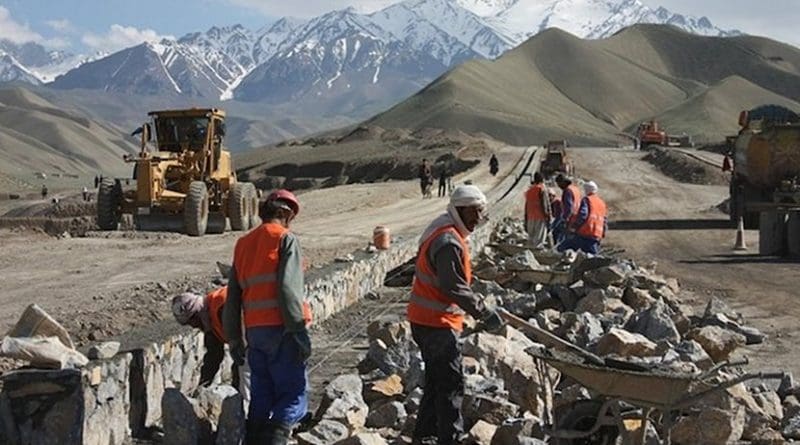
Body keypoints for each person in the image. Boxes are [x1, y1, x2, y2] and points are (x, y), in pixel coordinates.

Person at [408, 185, 504, 445]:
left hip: (427, 320)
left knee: (436, 380)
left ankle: (425, 434)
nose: (478, 219)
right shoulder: (448, 241)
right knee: (451, 383)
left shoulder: (445, 232)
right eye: (475, 212)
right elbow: (452, 286)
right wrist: (483, 312)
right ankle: (450, 438)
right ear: (460, 210)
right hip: (435, 324)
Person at [223, 189, 312, 445]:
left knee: (261, 395)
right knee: (292, 393)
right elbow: (288, 290)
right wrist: (298, 332)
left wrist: (234, 339)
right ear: (284, 213)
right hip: (282, 330)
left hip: (255, 332)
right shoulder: (285, 239)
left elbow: (233, 298)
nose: (290, 223)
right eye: (290, 217)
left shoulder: (243, 244)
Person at [171, 288, 251, 407]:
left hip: (261, 335)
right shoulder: (210, 318)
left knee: (246, 373)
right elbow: (213, 356)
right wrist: (202, 386)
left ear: (196, 314)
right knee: (239, 370)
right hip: (255, 338)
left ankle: (249, 415)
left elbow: (244, 345)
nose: (194, 327)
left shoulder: (221, 306)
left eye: (193, 322)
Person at [558, 181, 608, 255]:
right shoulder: (602, 203)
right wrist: (603, 233)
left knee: (563, 247)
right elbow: (604, 220)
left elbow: (583, 215)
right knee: (592, 255)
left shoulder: (587, 200)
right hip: (596, 234)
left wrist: (574, 227)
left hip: (585, 232)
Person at [551, 174, 581, 245]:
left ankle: (558, 250)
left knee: (557, 233)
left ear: (563, 182)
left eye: (559, 183)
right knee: (568, 237)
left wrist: (564, 219)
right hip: (576, 216)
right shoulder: (575, 189)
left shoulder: (567, 191)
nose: (558, 186)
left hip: (569, 218)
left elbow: (569, 207)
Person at [525, 172, 551, 248]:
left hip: (530, 217)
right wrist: (548, 216)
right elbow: (545, 204)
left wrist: (526, 218)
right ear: (542, 179)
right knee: (539, 240)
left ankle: (529, 252)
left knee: (531, 238)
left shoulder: (529, 191)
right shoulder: (542, 189)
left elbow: (526, 205)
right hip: (540, 217)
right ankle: (535, 255)